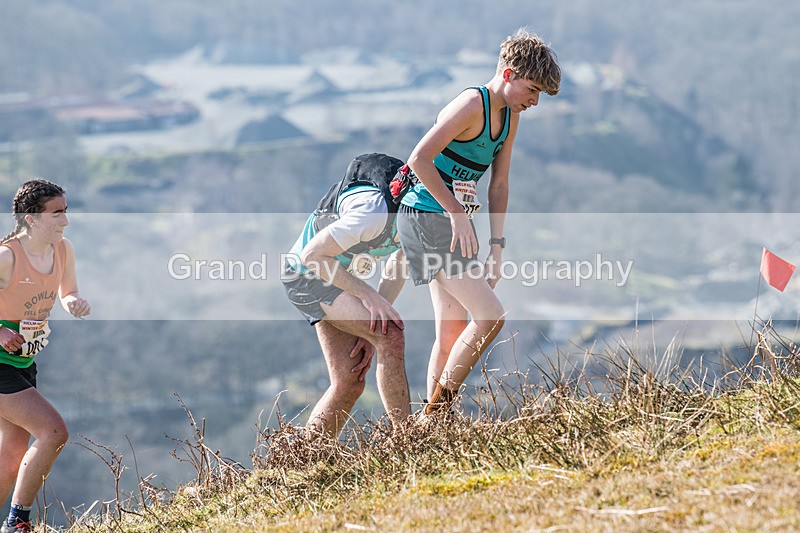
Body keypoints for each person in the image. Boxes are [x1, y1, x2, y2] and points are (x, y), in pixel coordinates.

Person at [396, 28, 561, 415]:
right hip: (426, 218)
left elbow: (499, 184)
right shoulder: (472, 104)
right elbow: (418, 158)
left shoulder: (509, 116)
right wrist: (455, 211)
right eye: (532, 89)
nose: (534, 101)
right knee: (490, 316)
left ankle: (434, 431)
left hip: (455, 227)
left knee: (451, 332)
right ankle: (433, 415)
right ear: (508, 74)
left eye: (540, 96)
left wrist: (497, 247)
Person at [282, 153, 412, 437]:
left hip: (337, 275)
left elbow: (397, 266)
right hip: (307, 273)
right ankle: (409, 442)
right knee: (392, 335)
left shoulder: (421, 217)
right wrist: (370, 300)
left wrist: (370, 328)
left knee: (349, 381)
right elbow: (313, 256)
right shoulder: (373, 214)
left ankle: (308, 460)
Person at [0, 179, 91, 533]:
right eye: (57, 213)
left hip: (23, 362)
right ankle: (17, 523)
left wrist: (74, 303)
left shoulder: (63, 249)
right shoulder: (8, 256)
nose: (65, 221)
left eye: (66, 211)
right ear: (32, 219)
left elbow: (68, 290)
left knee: (11, 460)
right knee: (54, 431)